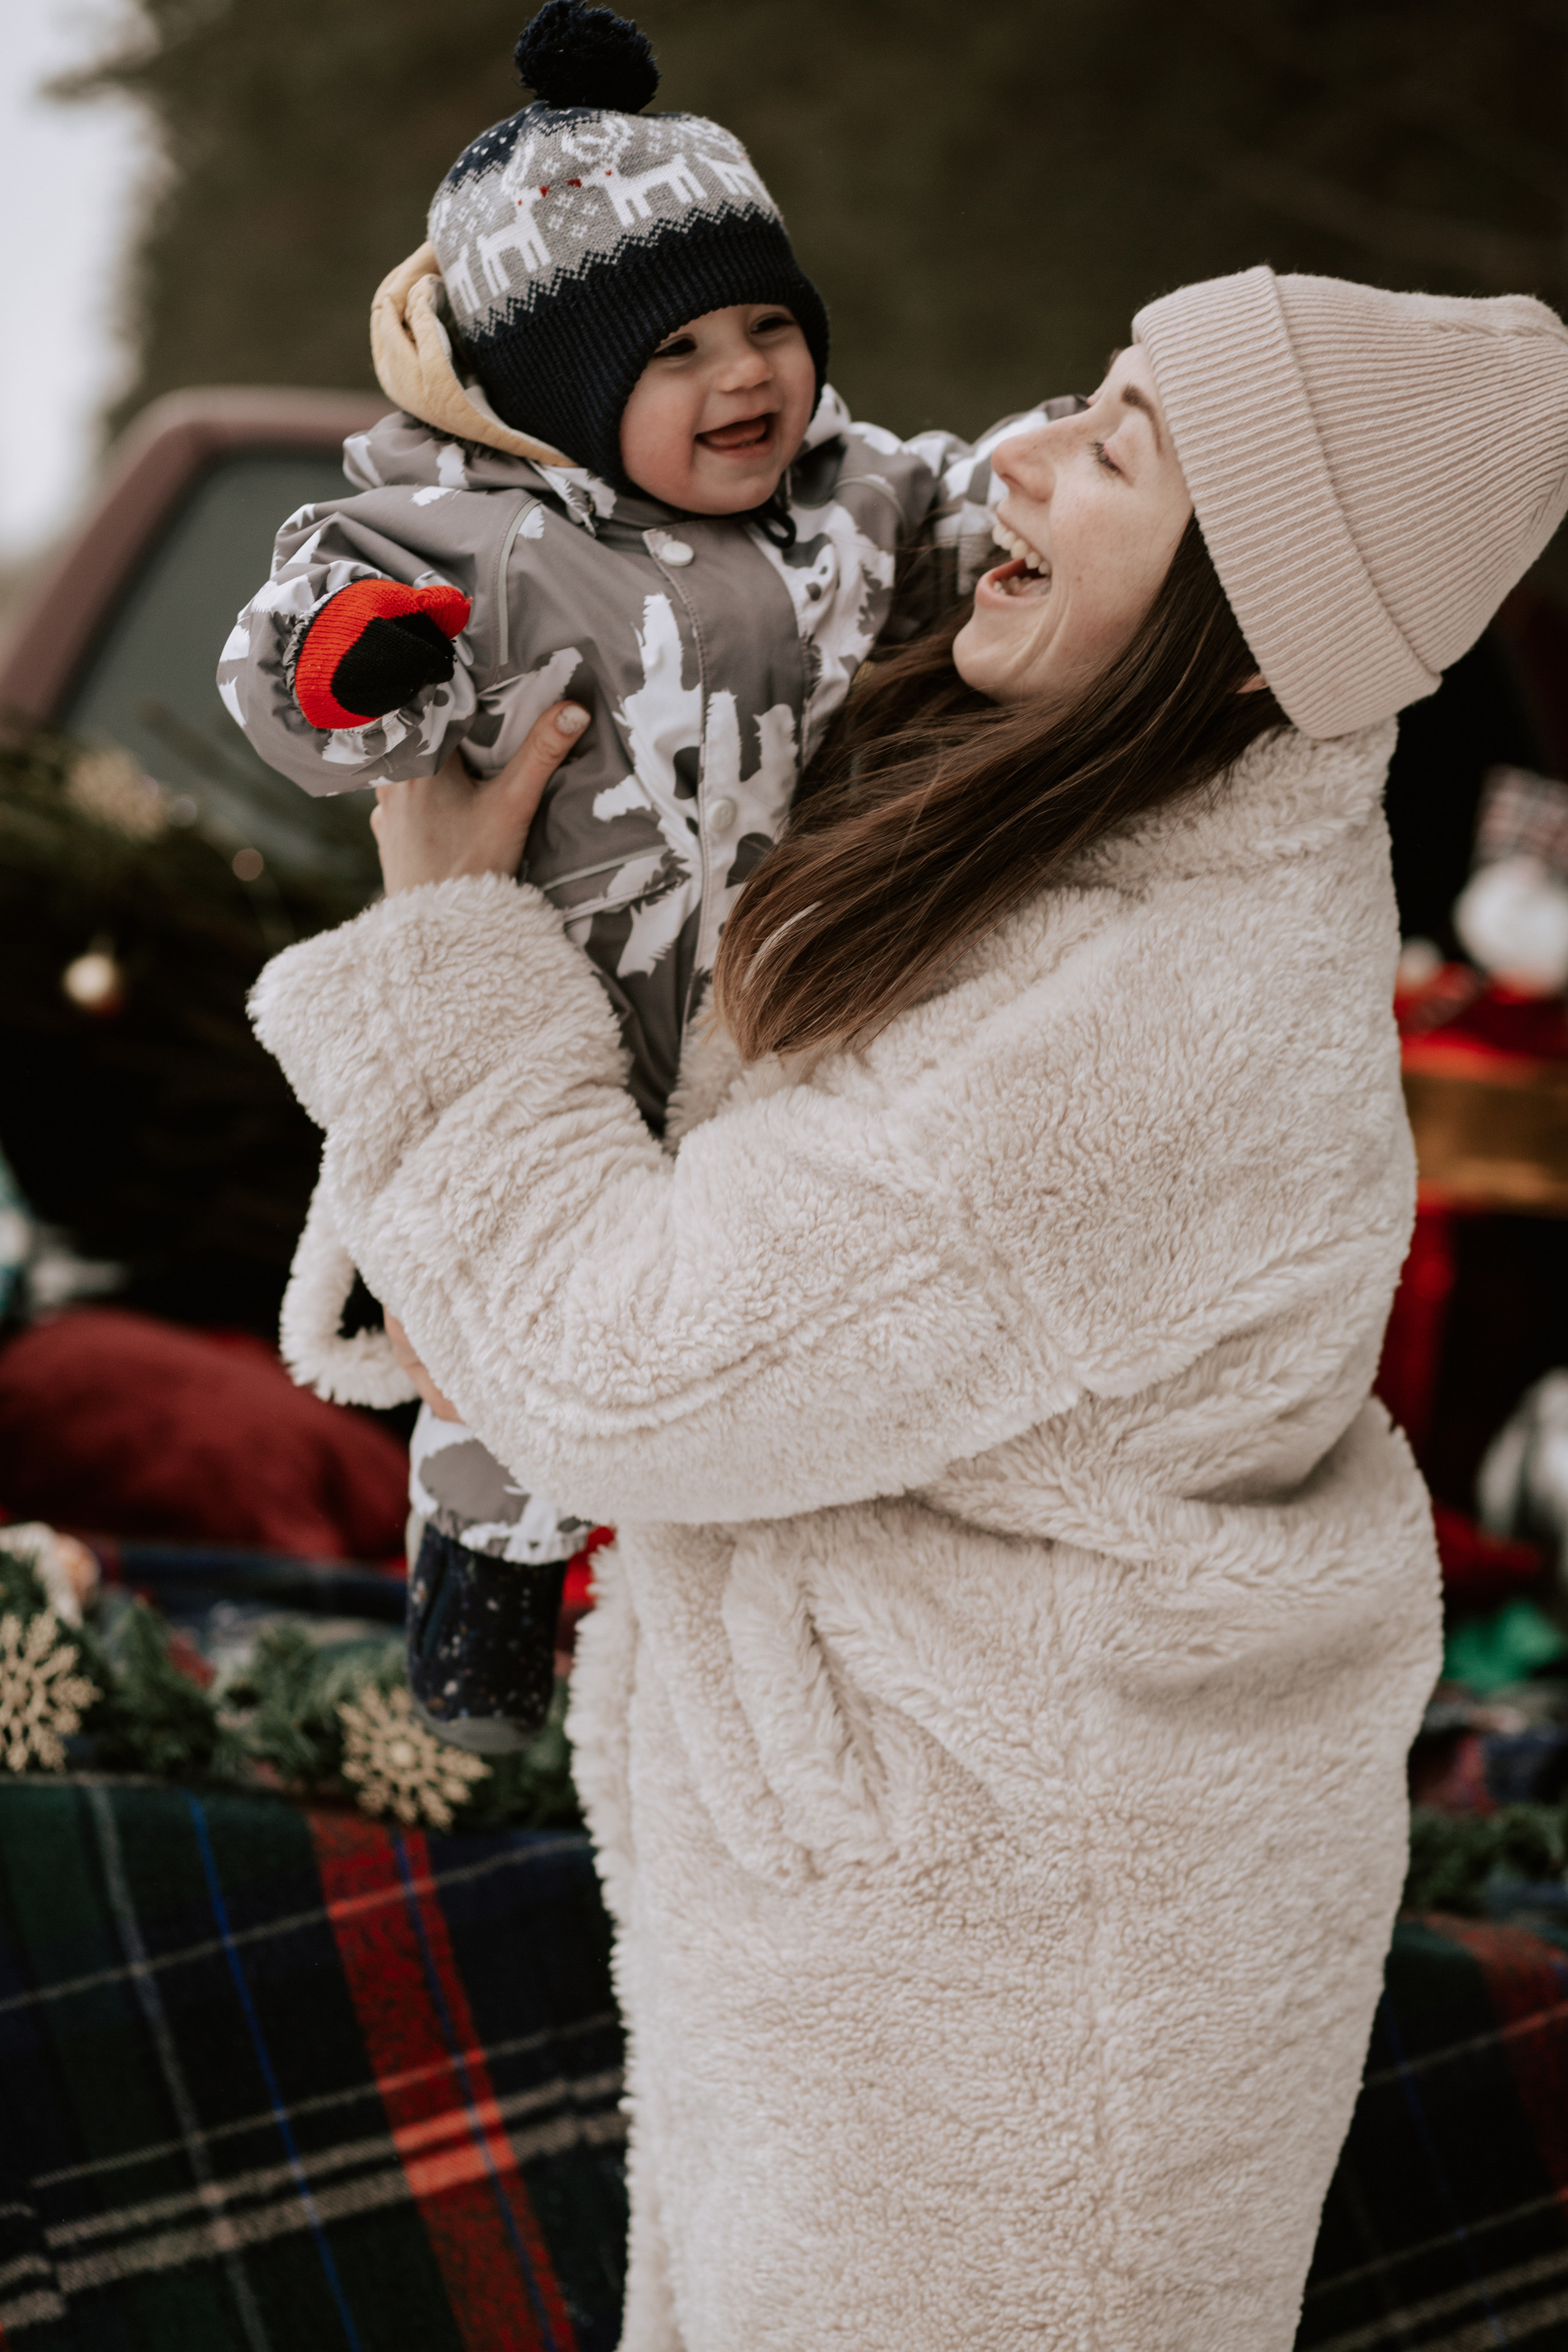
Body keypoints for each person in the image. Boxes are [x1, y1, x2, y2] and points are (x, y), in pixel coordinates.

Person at [253, 269, 1568, 2349]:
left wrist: (451, 942)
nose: (1019, 450)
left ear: (1245, 639)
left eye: (1122, 449)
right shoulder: (1089, 854)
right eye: (1083, 385)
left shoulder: (1158, 1030)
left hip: (1013, 2079)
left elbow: (630, 1361)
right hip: (894, 1971)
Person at [219, 0, 1070, 1752]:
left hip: (794, 1018)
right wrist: (366, 660)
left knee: (760, 1372)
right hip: (565, 1021)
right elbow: (285, 650)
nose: (746, 376)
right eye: (676, 351)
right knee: (505, 1359)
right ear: (556, 390)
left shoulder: (854, 500)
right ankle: (482, 1643)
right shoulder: (465, 534)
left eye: (771, 325)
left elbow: (999, 507)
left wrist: (1092, 459)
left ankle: (734, 1690)